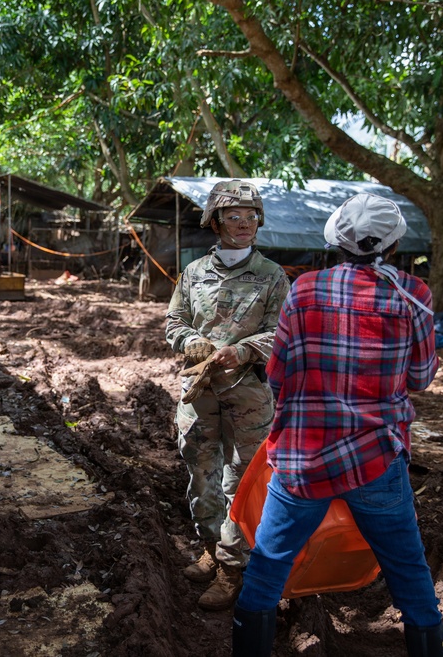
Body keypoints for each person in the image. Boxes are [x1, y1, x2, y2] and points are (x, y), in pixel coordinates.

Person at [232, 194, 443, 656]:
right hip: (377, 460)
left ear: (337, 241)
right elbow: (421, 379)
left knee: (267, 569)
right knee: (409, 572)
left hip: (302, 462)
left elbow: (277, 375)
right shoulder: (414, 294)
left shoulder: (305, 289)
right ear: (390, 244)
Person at [165, 180, 291, 611]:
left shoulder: (273, 276)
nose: (244, 224)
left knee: (242, 482)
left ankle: (232, 567)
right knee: (202, 477)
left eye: (252, 215)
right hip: (199, 390)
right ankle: (211, 546)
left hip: (249, 394)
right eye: (234, 216)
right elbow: (172, 321)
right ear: (215, 222)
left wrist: (244, 349)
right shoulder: (193, 273)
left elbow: (282, 334)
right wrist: (189, 341)